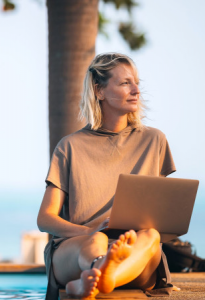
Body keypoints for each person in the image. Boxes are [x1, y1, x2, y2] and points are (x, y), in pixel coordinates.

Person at [37, 53, 176, 300]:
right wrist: (89, 230)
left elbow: (158, 214)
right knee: (96, 242)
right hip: (78, 244)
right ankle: (103, 271)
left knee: (151, 235)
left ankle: (94, 278)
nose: (136, 90)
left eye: (136, 83)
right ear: (99, 91)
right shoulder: (70, 146)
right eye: (125, 83)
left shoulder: (154, 140)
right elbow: (45, 219)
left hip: (134, 251)